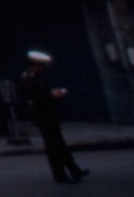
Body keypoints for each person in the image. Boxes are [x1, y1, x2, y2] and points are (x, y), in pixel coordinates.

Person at [19, 51, 88, 183]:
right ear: (34, 66)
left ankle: (74, 170)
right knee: (53, 148)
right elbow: (35, 98)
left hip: (49, 116)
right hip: (43, 118)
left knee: (60, 145)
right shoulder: (28, 79)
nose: (42, 69)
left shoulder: (36, 78)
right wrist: (52, 95)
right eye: (40, 66)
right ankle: (59, 175)